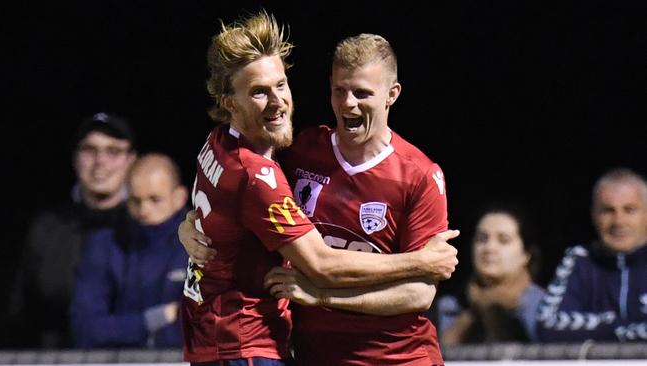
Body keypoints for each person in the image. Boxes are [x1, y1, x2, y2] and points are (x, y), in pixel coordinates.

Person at [178, 11, 459, 366]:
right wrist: (190, 226)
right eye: (339, 91)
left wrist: (322, 296)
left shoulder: (420, 175)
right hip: (295, 352)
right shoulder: (298, 152)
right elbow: (316, 259)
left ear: (392, 94)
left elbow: (419, 294)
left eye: (362, 93)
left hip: (397, 358)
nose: (348, 103)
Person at [6, 112, 137, 349]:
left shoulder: (149, 227)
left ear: (131, 160)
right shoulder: (46, 228)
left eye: (113, 151)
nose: (100, 161)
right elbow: (19, 313)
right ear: (75, 158)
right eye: (89, 150)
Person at [70, 152, 189, 348]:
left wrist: (124, 330)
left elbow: (209, 328)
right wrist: (156, 318)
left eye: (155, 199)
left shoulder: (206, 245)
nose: (144, 209)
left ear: (179, 197)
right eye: (136, 200)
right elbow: (85, 328)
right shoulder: (104, 245)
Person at [536, 167, 647, 342]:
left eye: (630, 210)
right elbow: (547, 325)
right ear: (593, 215)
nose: (618, 221)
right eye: (608, 211)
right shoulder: (580, 260)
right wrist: (622, 328)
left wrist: (598, 329)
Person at [433, 202, 546, 345]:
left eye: (504, 240)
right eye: (482, 239)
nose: (489, 248)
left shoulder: (544, 307)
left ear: (527, 254)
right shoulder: (449, 306)